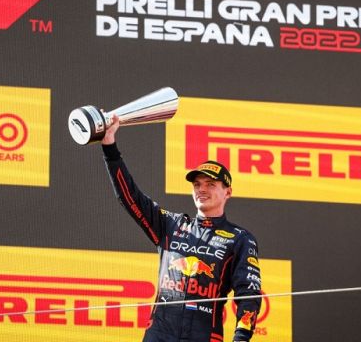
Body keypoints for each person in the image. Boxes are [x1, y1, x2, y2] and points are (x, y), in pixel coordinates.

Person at [100, 114, 262, 342]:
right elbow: (130, 197)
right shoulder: (171, 225)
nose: (201, 190)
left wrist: (241, 338)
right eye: (197, 184)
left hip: (204, 336)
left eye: (210, 184)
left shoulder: (240, 238)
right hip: (159, 335)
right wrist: (109, 147)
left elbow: (249, 294)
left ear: (228, 192)